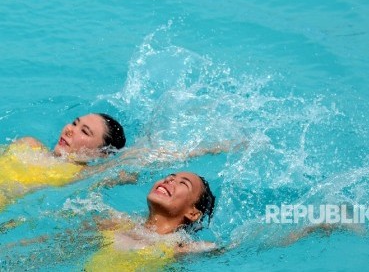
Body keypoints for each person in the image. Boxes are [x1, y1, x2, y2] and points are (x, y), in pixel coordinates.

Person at [85, 171, 216, 271]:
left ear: (193, 213)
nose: (169, 179)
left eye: (183, 183)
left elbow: (218, 249)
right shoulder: (117, 223)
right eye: (171, 176)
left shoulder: (178, 247)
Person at [0, 113, 126, 211]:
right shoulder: (30, 144)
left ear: (102, 153)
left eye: (84, 131)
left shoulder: (81, 175)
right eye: (74, 123)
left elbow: (126, 171)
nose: (70, 130)